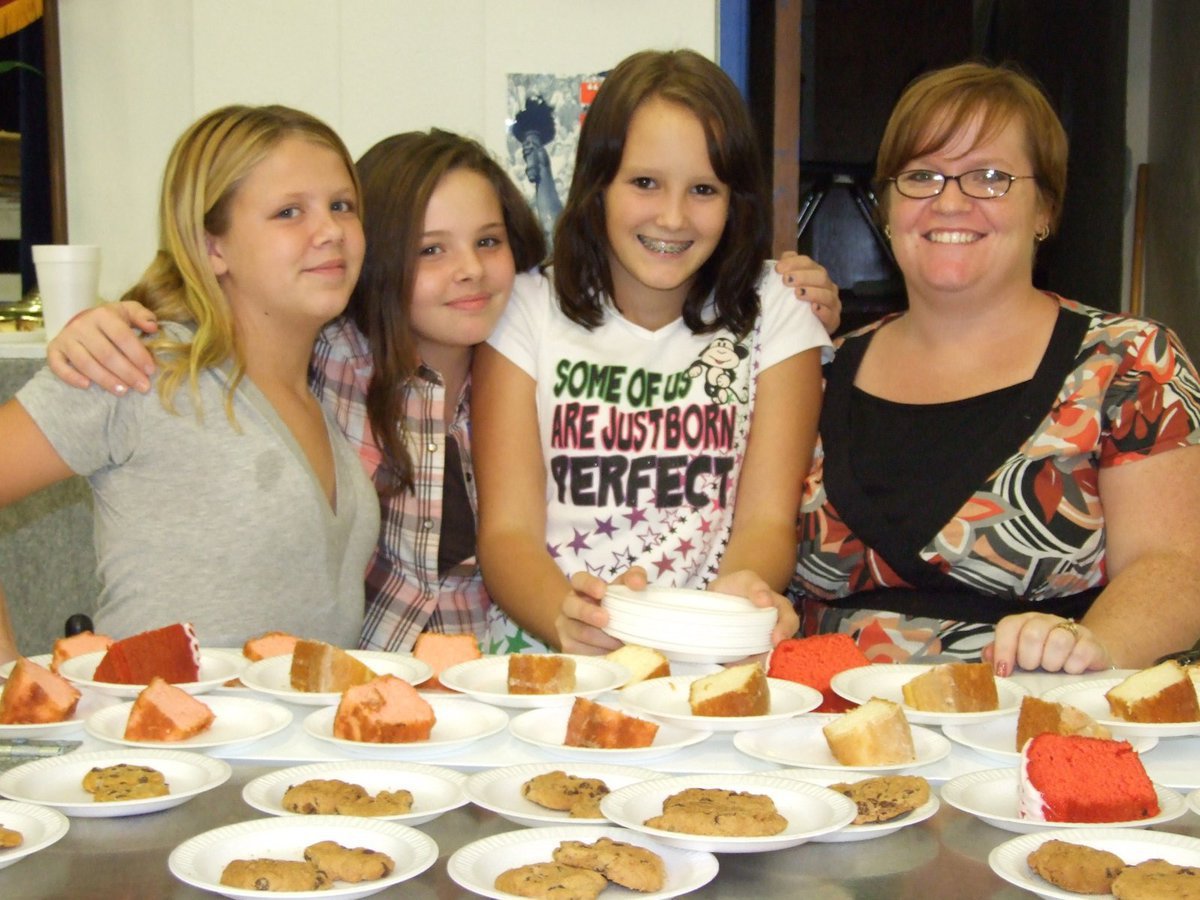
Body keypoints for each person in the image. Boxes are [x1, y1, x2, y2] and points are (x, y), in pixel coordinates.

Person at [43, 134, 843, 655]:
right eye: (431, 250)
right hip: (347, 690)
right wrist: (114, 318)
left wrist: (797, 288)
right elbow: (249, 305)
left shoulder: (536, 345)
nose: (469, 270)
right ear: (382, 257)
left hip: (490, 689)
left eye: (489, 242)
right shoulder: (335, 357)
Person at [784, 61, 1200, 673]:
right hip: (823, 736)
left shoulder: (1132, 362)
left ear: (1045, 212)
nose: (950, 201)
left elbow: (1176, 568)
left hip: (1037, 725)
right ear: (887, 208)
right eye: (921, 176)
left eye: (989, 177)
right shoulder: (818, 370)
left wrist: (1089, 649)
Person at [474, 49, 833, 655]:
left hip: (706, 654)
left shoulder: (779, 309)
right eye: (644, 183)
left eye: (703, 189)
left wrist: (729, 609)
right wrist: (563, 618)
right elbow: (507, 531)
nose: (672, 217)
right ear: (598, 185)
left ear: (735, 200)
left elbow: (767, 521)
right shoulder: (527, 308)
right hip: (549, 654)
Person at [0, 105, 380, 652]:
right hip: (161, 733)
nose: (331, 231)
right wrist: (10, 686)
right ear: (211, 246)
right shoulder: (139, 366)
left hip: (295, 737)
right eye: (289, 212)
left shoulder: (324, 387)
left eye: (342, 206)